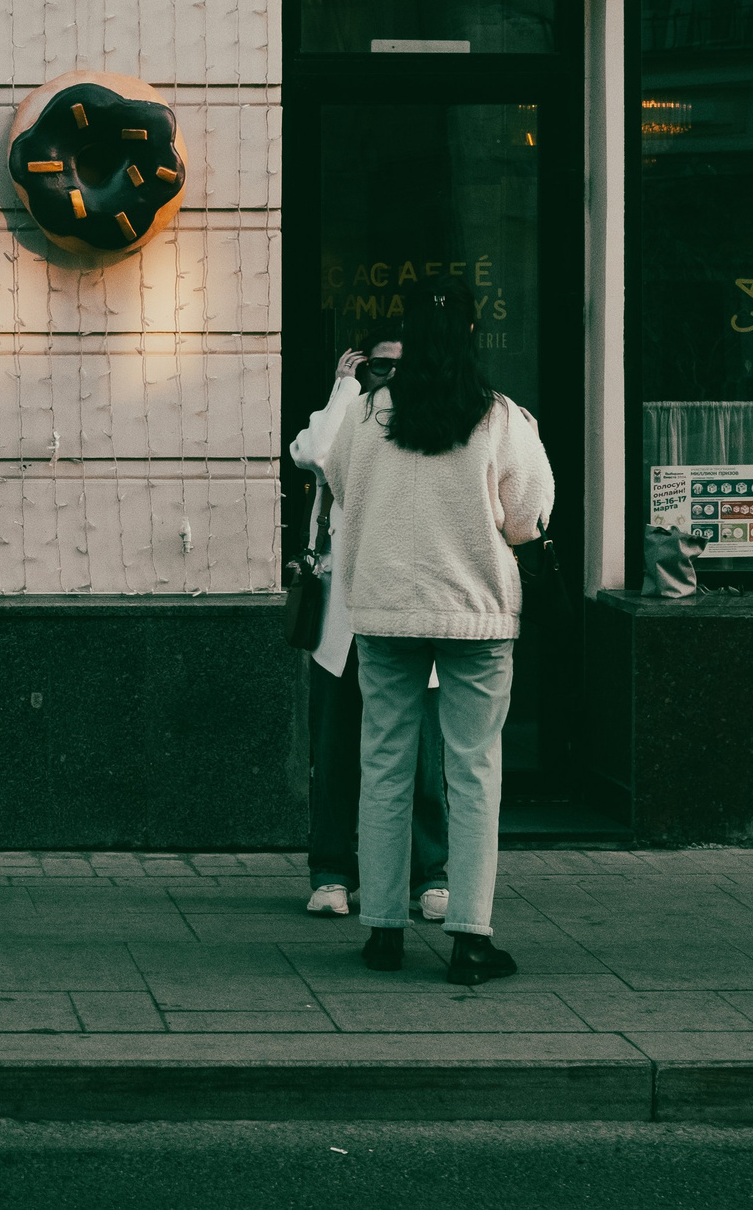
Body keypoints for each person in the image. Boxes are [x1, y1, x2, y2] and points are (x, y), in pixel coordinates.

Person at [314, 289, 554, 986]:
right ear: (473, 335)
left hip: (385, 610)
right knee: (473, 770)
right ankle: (470, 938)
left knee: (382, 765)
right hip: (475, 613)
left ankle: (382, 930)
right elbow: (528, 514)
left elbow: (337, 480)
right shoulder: (500, 417)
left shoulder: (370, 414)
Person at [287, 335, 450, 925]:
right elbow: (316, 455)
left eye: (406, 365)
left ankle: (429, 873)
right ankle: (332, 871)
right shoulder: (348, 414)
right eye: (382, 364)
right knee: (335, 751)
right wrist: (346, 388)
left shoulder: (433, 420)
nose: (393, 376)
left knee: (423, 755)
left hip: (410, 607)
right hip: (346, 619)